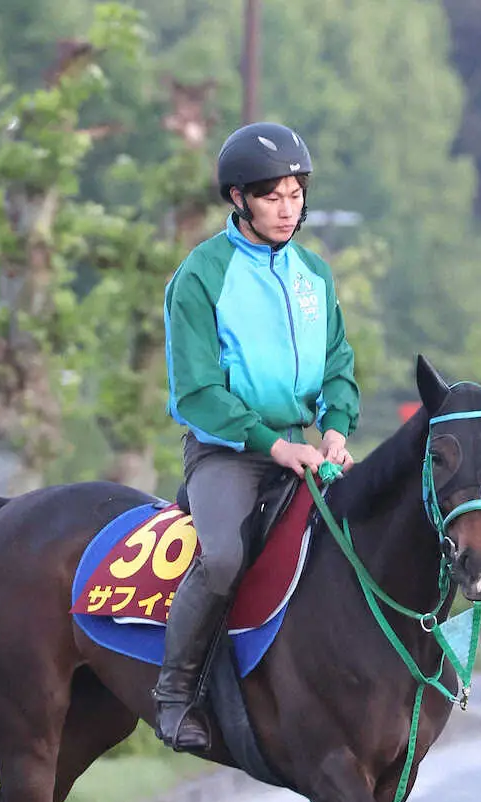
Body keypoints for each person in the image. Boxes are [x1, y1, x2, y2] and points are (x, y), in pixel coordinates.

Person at [153, 121, 361, 752]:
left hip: (305, 448)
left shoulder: (315, 275)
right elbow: (197, 394)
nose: (286, 208)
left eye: (295, 194)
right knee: (221, 559)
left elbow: (338, 369)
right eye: (273, 196)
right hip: (228, 452)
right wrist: (274, 446)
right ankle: (173, 694)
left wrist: (333, 431)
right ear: (237, 199)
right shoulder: (200, 276)